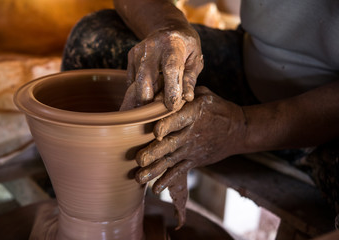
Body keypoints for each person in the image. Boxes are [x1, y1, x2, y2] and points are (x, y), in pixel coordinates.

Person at [62, 0, 339, 227]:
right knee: (94, 39)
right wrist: (169, 27)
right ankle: (74, 213)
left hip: (326, 115)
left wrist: (243, 128)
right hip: (252, 61)